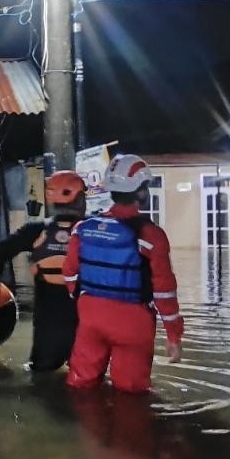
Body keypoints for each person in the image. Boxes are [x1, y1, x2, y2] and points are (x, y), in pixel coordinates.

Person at [62, 154, 184, 393]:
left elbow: (69, 274)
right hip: (133, 324)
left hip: (90, 319)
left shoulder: (82, 229)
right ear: (141, 191)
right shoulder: (152, 236)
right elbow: (164, 291)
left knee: (81, 386)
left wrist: (87, 305)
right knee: (130, 394)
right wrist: (174, 335)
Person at [0, 171, 87, 371]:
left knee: (41, 372)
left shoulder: (36, 230)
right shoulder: (94, 230)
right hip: (85, 318)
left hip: (47, 319)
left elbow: (1, 250)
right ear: (79, 199)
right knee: (84, 375)